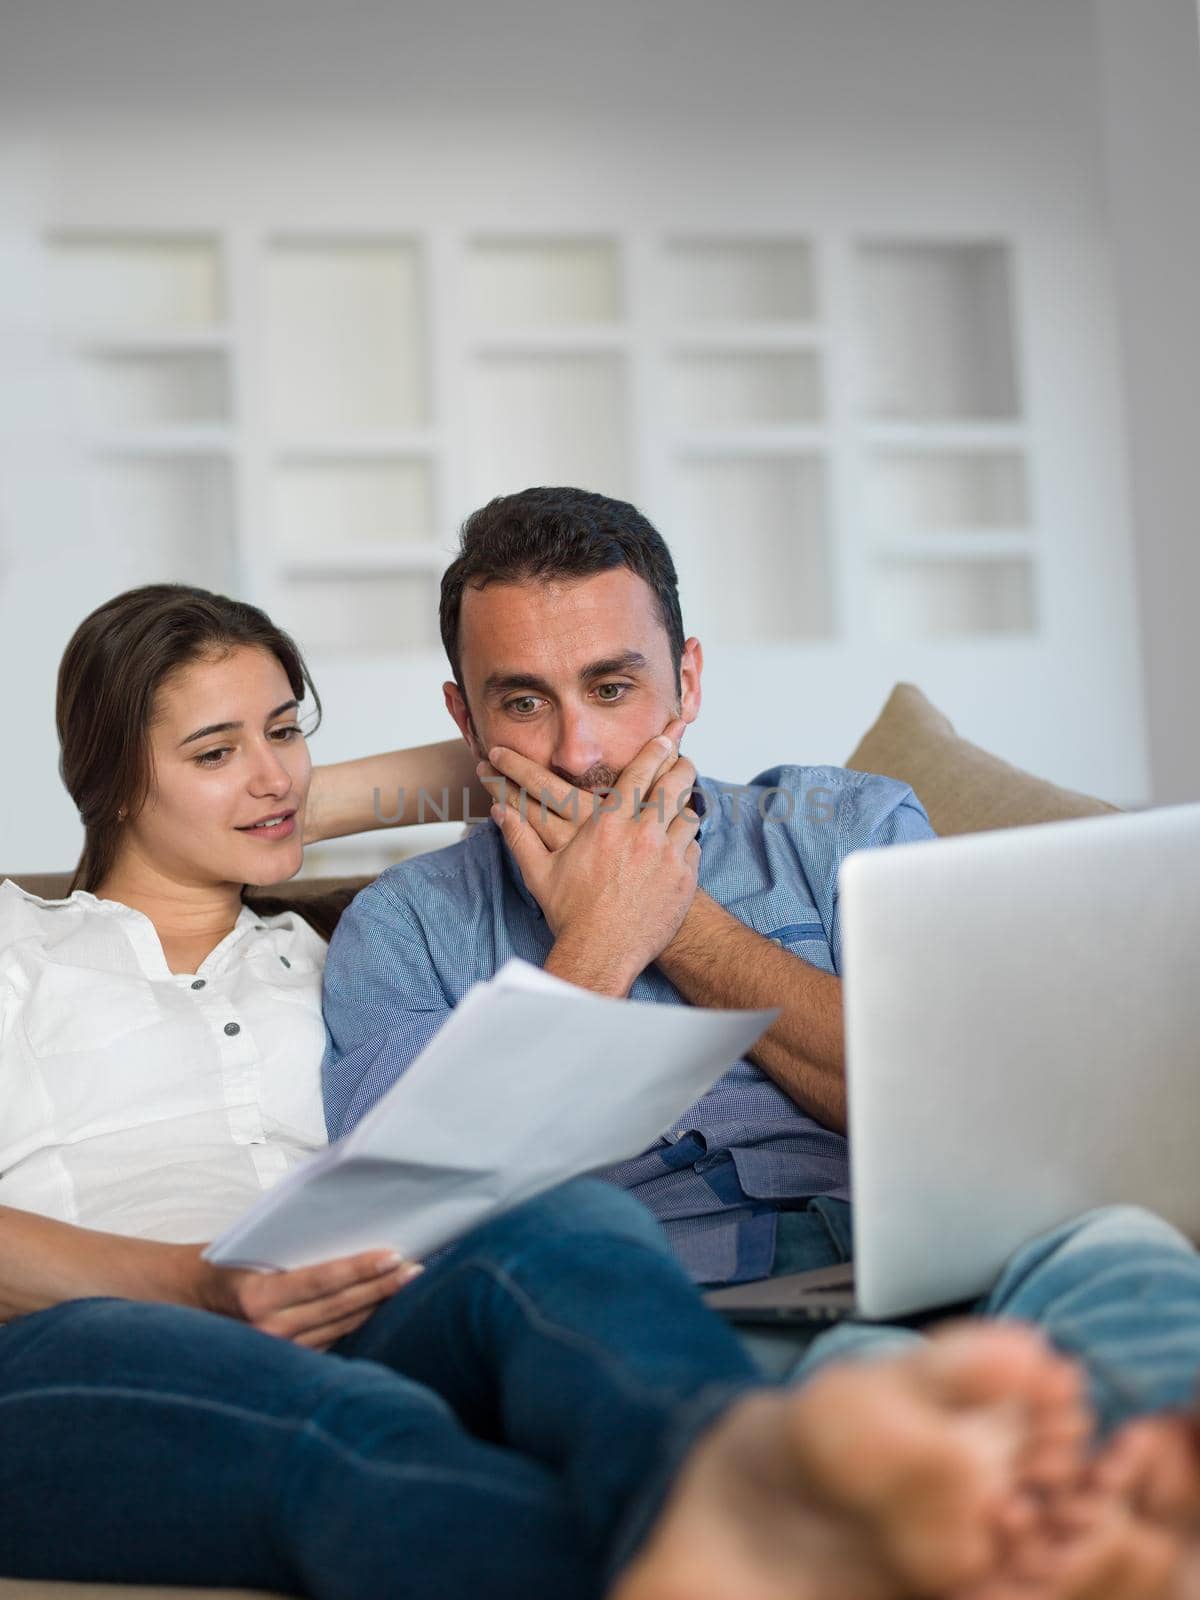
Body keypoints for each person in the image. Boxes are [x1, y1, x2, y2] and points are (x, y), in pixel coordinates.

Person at [0, 579, 1107, 1600]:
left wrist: (257, 796)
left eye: (288, 731)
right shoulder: (17, 943)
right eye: (212, 749)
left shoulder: (326, 957)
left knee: (576, 1220)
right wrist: (197, 1284)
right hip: (92, 1336)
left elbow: (548, 752)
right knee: (363, 1433)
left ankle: (741, 1480)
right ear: (105, 774)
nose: (274, 774)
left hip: (363, 1318)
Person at [323, 485, 934, 1287]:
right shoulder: (403, 926)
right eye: (523, 702)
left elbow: (952, 1110)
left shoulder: (848, 828)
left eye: (612, 689)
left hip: (913, 1255)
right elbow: (396, 1227)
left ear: (687, 681)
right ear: (467, 722)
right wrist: (600, 944)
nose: (578, 754)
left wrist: (675, 920)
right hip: (653, 1297)